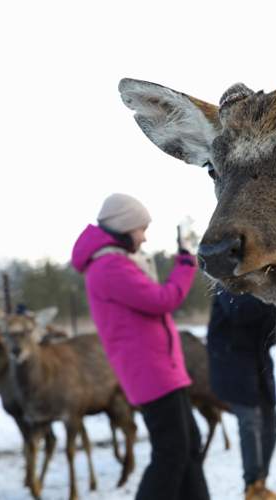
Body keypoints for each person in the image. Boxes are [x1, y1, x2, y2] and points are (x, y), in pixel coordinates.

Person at [71, 193, 209, 500]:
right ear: (123, 227)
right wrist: (186, 258)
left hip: (163, 370)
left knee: (189, 446)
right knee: (172, 453)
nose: (144, 238)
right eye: (141, 229)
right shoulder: (109, 267)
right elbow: (163, 299)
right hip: (151, 374)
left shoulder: (116, 262)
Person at [207, 289, 276, 500]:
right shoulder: (227, 281)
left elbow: (269, 331)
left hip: (258, 363)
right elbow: (240, 311)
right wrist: (275, 296)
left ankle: (260, 484)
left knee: (271, 425)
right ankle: (252, 486)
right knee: (250, 423)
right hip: (232, 364)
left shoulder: (261, 286)